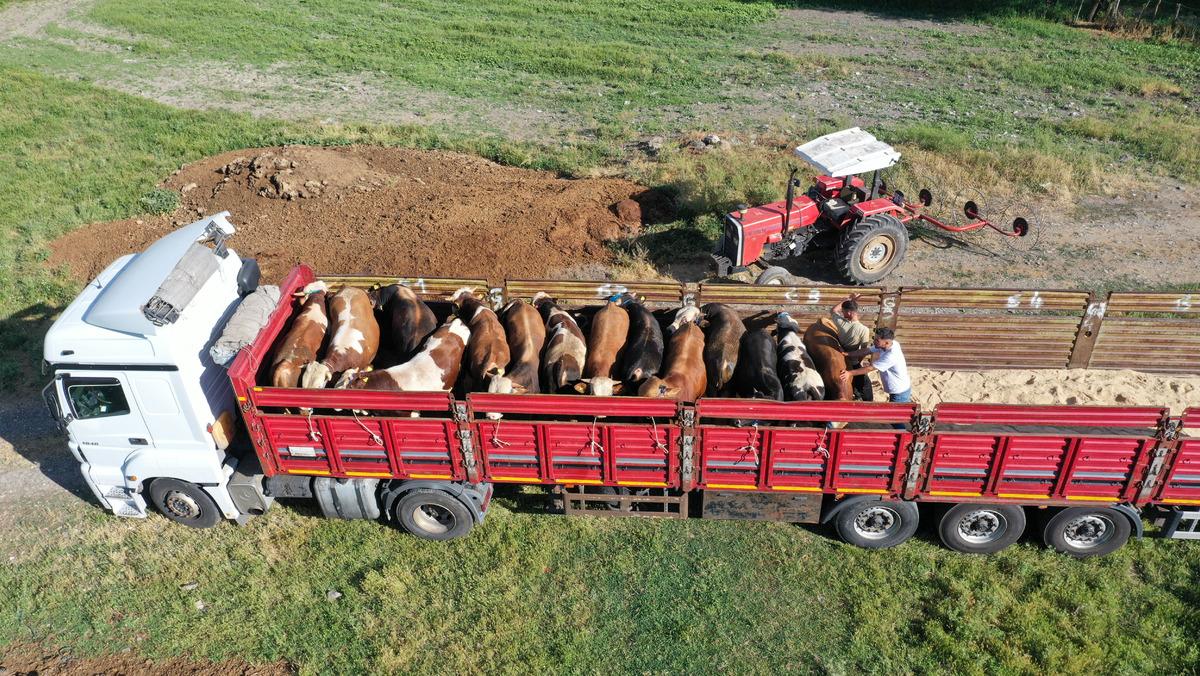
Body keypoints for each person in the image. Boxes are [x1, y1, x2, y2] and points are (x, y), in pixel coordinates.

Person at [841, 328, 911, 428]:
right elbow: (867, 350)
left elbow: (870, 368)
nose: (874, 341)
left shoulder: (891, 355)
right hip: (899, 388)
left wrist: (849, 373)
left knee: (895, 419)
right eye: (875, 338)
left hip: (899, 391)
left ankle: (903, 438)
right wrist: (848, 354)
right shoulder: (889, 344)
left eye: (877, 340)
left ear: (886, 342)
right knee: (895, 415)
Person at [828, 293, 873, 401]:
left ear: (849, 312)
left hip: (839, 352)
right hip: (853, 360)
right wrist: (858, 362)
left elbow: (833, 310)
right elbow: (863, 350)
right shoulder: (864, 330)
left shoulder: (841, 323)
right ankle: (865, 399)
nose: (842, 313)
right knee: (865, 383)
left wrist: (849, 299)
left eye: (843, 312)